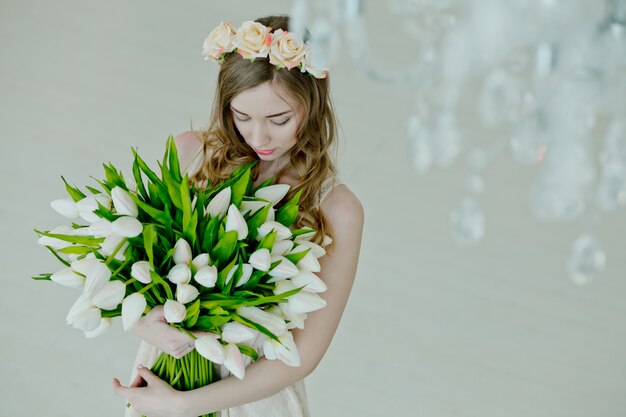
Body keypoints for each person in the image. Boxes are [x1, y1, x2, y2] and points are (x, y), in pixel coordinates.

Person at [112, 14, 364, 417]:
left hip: (254, 398)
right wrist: (144, 322)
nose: (258, 138)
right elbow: (136, 268)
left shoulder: (335, 208)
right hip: (166, 375)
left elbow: (304, 352)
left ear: (314, 105)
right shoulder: (189, 154)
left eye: (279, 120)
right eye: (241, 117)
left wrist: (186, 405)